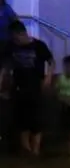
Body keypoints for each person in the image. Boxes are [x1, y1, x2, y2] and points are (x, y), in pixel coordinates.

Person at [0, 20, 54, 156]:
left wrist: (48, 77)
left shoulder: (39, 46)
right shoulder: (10, 46)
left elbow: (51, 61)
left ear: (22, 33)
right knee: (21, 120)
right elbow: (5, 66)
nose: (15, 40)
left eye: (15, 37)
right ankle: (27, 150)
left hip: (35, 86)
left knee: (36, 120)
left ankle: (36, 150)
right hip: (19, 86)